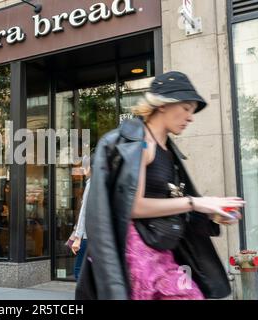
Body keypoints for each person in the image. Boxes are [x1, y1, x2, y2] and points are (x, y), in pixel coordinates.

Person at [76, 71, 245, 300]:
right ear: (163, 105)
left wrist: (213, 214)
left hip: (163, 252)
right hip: (138, 257)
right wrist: (195, 203)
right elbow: (134, 207)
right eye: (186, 108)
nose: (190, 117)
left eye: (192, 111)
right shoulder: (142, 144)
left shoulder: (168, 151)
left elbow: (173, 203)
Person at [71, 154, 93, 281]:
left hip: (87, 235)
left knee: (79, 271)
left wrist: (78, 237)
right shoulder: (103, 183)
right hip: (97, 235)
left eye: (83, 167)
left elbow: (84, 212)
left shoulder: (90, 184)